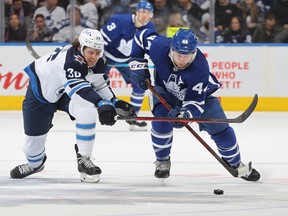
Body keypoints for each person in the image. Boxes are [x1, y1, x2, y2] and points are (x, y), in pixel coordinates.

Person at [129, 28, 261, 182]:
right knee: (161, 122)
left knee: (222, 131)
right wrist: (137, 65)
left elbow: (195, 103)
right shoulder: (159, 46)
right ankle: (162, 162)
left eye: (187, 56)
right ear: (172, 49)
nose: (182, 60)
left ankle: (237, 164)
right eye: (179, 55)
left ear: (194, 52)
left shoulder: (200, 68)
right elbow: (140, 37)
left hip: (200, 96)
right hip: (164, 91)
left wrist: (185, 116)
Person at [10, 28, 135, 183]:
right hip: (41, 94)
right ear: (80, 48)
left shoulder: (99, 60)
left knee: (87, 111)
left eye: (98, 52)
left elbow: (99, 83)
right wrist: (101, 103)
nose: (94, 57)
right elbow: (79, 87)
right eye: (90, 52)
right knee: (32, 147)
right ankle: (35, 164)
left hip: (63, 92)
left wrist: (114, 101)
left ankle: (84, 159)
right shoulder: (70, 60)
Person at [100, 0, 156, 131]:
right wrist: (99, 59)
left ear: (151, 15)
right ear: (136, 12)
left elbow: (149, 49)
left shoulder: (150, 29)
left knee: (140, 85)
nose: (144, 15)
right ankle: (94, 111)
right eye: (142, 11)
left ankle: (132, 118)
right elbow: (102, 38)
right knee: (98, 84)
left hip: (126, 61)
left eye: (147, 12)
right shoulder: (120, 21)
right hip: (106, 56)